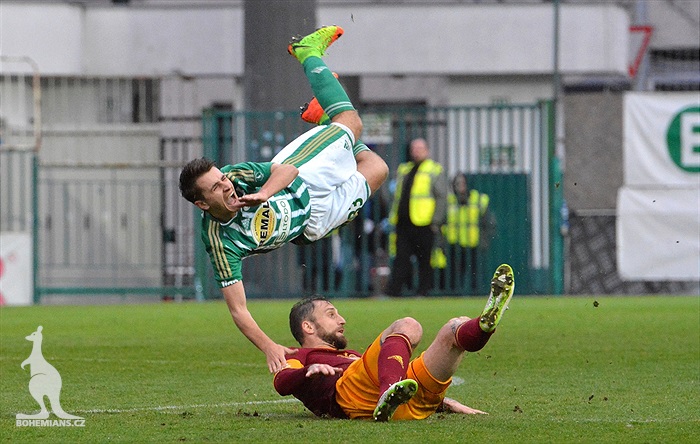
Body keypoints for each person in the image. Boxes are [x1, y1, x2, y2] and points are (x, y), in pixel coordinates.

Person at [178, 26, 389, 374]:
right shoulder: (219, 242)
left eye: (222, 179)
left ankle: (308, 53)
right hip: (311, 223)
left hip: (301, 175)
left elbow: (286, 170)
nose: (227, 186)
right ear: (202, 204)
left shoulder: (239, 176)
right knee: (377, 167)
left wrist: (263, 193)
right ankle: (322, 118)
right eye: (216, 188)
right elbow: (238, 310)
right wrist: (269, 346)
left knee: (351, 123)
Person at [273, 264, 514, 421]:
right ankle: (388, 390)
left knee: (454, 329)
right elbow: (282, 382)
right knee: (408, 325)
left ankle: (483, 327)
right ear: (308, 326)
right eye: (331, 314)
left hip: (407, 405)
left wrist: (443, 403)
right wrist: (308, 371)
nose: (342, 319)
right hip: (351, 395)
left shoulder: (351, 356)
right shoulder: (298, 356)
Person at [384, 138, 448, 296]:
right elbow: (396, 196)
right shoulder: (404, 169)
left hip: (424, 222)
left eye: (420, 148)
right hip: (404, 222)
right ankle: (394, 292)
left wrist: (436, 221)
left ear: (427, 150)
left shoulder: (434, 169)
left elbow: (441, 197)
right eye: (414, 148)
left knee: (424, 260)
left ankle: (423, 291)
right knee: (401, 259)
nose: (416, 151)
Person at [441, 173, 495, 293]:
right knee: (454, 279)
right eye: (457, 184)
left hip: (474, 244)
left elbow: (489, 223)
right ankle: (454, 295)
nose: (460, 187)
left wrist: (484, 241)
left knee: (476, 277)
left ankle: (476, 295)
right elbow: (442, 222)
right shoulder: (449, 201)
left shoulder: (480, 200)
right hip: (454, 244)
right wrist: (443, 243)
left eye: (463, 184)